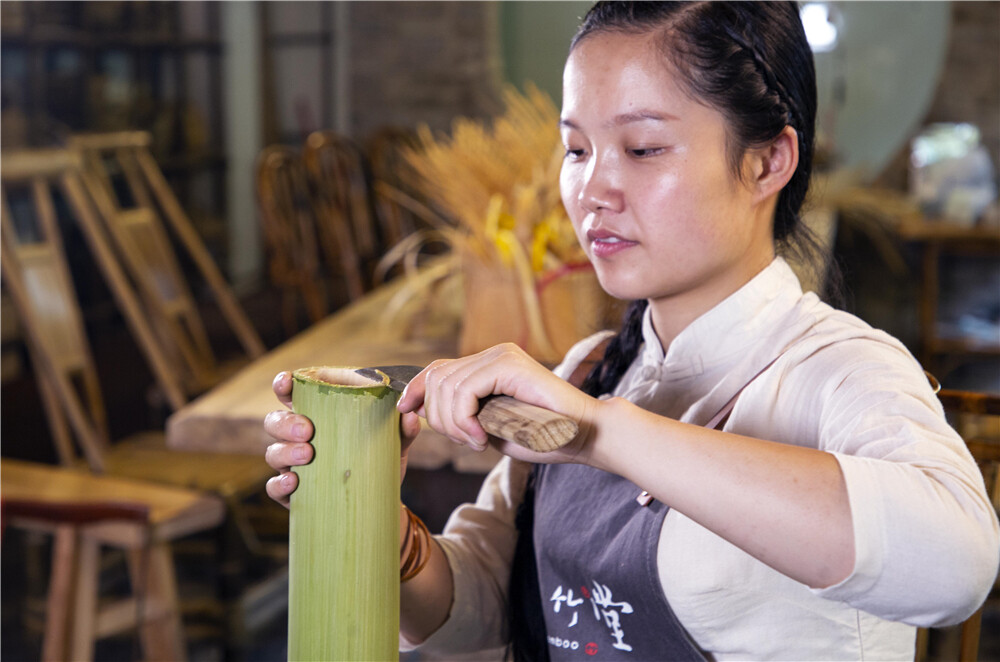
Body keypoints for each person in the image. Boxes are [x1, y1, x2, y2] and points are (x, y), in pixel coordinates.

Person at [264, 2, 1000, 659]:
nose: (591, 191)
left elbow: (956, 566)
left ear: (768, 160)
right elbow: (485, 611)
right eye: (577, 149)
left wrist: (599, 434)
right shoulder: (592, 367)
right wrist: (377, 524)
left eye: (644, 149)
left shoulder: (843, 370)